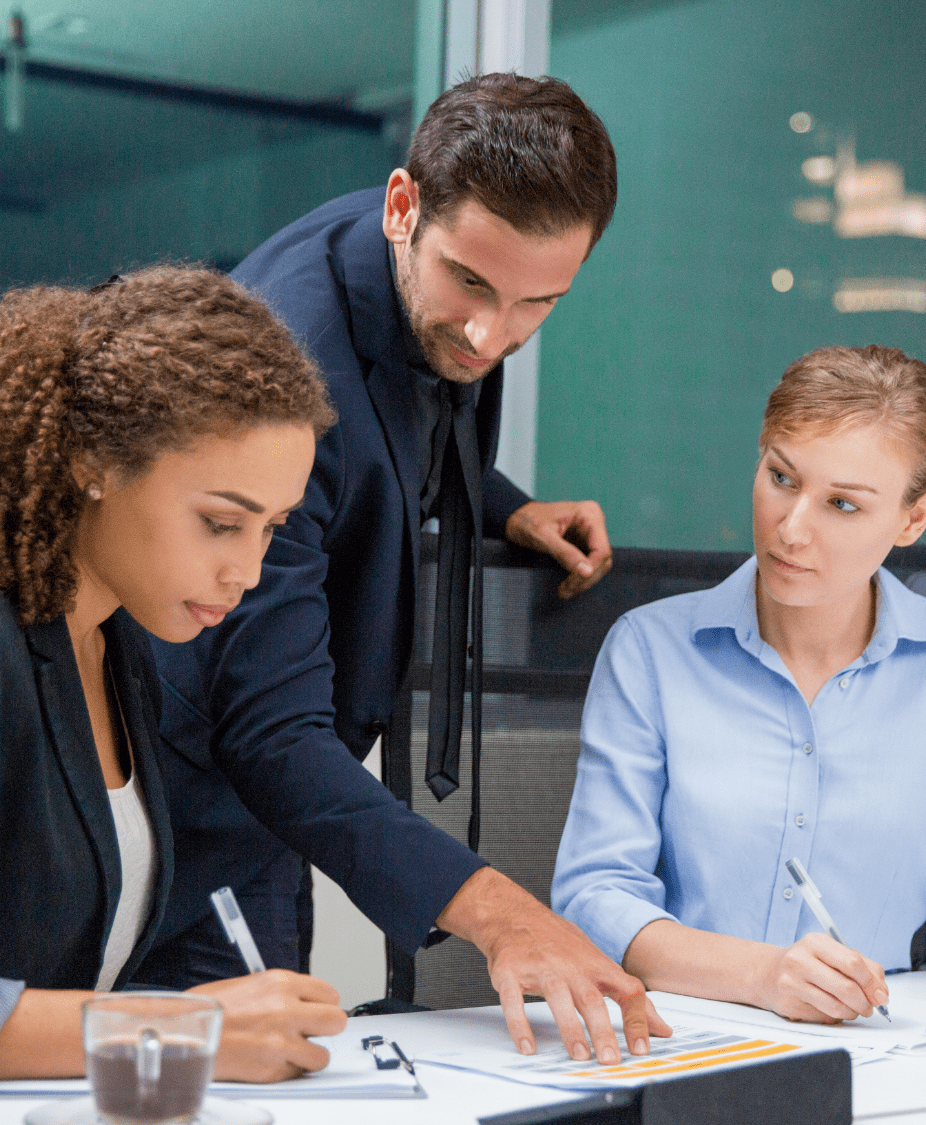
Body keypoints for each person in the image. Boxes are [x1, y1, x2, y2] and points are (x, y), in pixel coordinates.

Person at [143, 73, 670, 1064]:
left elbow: (416, 411)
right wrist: (503, 911)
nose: (490, 334)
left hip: (272, 800)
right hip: (188, 802)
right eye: (470, 285)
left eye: (536, 304)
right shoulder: (291, 382)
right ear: (402, 206)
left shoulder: (428, 252)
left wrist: (501, 504)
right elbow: (266, 731)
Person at [0, 266, 348, 1088]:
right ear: (94, 460)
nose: (247, 571)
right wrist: (174, 1027)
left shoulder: (114, 646)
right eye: (220, 523)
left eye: (271, 529)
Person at [552, 344, 926, 1024]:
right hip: (685, 1033)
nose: (791, 528)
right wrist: (765, 976)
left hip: (881, 1042)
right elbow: (594, 896)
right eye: (781, 477)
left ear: (912, 518)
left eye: (842, 503)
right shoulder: (650, 650)